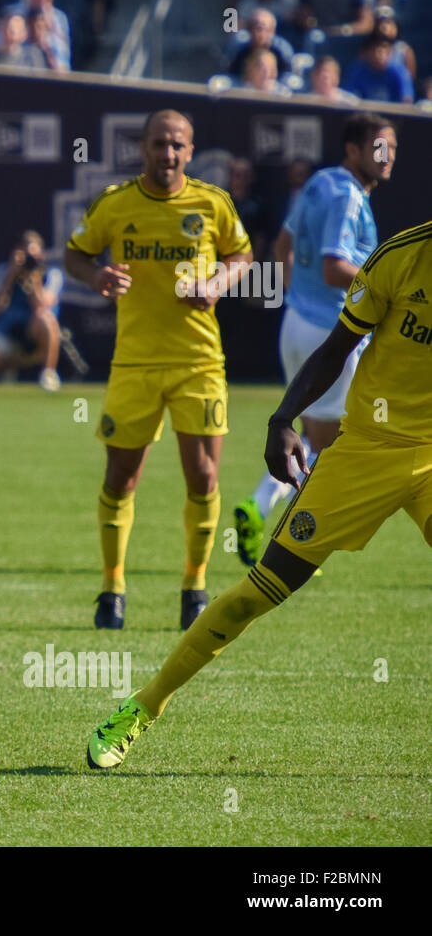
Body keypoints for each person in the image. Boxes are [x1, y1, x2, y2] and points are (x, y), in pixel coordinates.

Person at [87, 217, 432, 769]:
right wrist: (283, 418)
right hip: (368, 447)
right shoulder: (402, 256)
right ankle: (142, 707)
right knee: (259, 592)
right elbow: (337, 347)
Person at [64, 109, 253, 631]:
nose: (167, 154)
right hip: (135, 363)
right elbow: (74, 254)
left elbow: (242, 255)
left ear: (190, 152)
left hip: (199, 361)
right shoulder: (116, 204)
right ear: (142, 148)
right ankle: (112, 588)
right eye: (158, 144)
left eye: (177, 145)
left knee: (204, 475)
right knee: (121, 477)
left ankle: (194, 586)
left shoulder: (211, 203)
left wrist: (216, 283)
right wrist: (97, 275)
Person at [233, 112, 396, 565]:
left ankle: (259, 506)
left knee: (309, 435)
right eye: (379, 147)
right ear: (353, 150)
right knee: (334, 446)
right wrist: (388, 295)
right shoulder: (346, 196)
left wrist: (297, 297)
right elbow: (332, 266)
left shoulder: (320, 182)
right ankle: (296, 544)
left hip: (297, 326)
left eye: (393, 149)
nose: (388, 157)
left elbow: (284, 247)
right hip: (333, 336)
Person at [0, 230, 63, 391]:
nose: (28, 260)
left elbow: (43, 306)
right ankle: (14, 365)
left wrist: (33, 280)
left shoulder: (52, 274)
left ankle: (48, 373)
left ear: (41, 255)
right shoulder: (3, 271)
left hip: (35, 331)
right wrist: (11, 276)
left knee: (45, 318)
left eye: (32, 255)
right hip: (7, 331)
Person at [342, 31, 414, 104]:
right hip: (364, 113)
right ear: (367, 52)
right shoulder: (357, 69)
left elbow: (407, 99)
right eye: (377, 49)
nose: (381, 54)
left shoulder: (399, 71)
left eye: (385, 49)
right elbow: (348, 97)